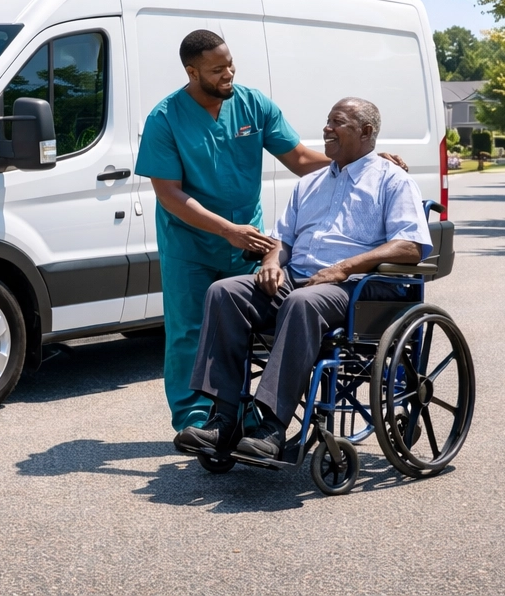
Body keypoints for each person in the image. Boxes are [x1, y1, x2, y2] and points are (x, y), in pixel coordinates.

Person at [175, 98, 432, 461]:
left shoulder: (393, 180)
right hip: (300, 281)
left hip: (357, 289)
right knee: (224, 292)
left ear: (366, 132)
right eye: (327, 121)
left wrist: (346, 267)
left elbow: (411, 246)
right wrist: (271, 262)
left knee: (301, 302)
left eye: (337, 122)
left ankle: (272, 427)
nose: (327, 128)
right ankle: (224, 419)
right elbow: (283, 241)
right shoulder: (309, 184)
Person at [135, 30, 337, 438]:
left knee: (238, 329)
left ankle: (238, 414)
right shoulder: (165, 118)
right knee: (189, 332)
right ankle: (195, 419)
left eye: (230, 64)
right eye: (217, 69)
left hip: (247, 241)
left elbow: (298, 158)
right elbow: (168, 194)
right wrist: (227, 230)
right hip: (190, 244)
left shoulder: (252, 104)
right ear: (192, 72)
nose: (228, 73)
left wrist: (358, 159)